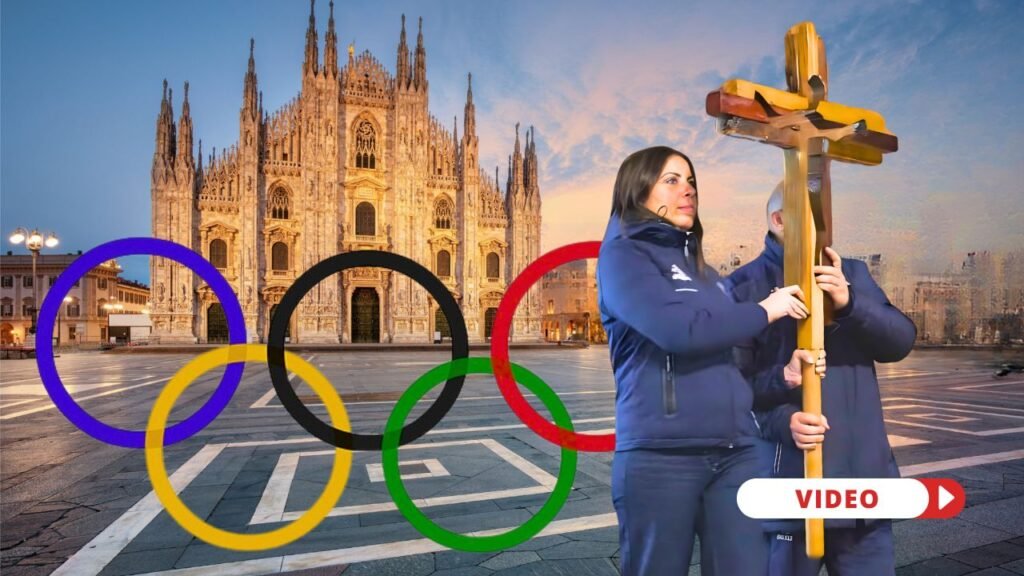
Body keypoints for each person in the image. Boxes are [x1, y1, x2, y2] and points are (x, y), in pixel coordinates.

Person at [598, 147, 824, 575]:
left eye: (692, 181)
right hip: (661, 456)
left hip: (736, 454)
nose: (688, 190)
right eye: (672, 180)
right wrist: (765, 310)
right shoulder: (622, 256)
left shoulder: (709, 276)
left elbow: (737, 365)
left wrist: (784, 376)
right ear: (637, 189)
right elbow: (677, 331)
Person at [722, 182, 917, 576]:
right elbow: (730, 391)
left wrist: (851, 303)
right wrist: (783, 412)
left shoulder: (853, 274)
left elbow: (900, 341)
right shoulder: (743, 287)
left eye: (826, 219)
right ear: (778, 220)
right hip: (786, 487)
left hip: (861, 486)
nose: (825, 230)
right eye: (814, 219)